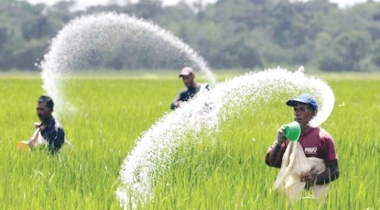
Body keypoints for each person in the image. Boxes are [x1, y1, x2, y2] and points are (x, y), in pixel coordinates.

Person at [265, 93, 339, 189]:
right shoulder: (287, 135)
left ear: (313, 113)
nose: (297, 113)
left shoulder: (324, 138)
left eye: (303, 109)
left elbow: (334, 171)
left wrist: (316, 178)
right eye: (295, 109)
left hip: (314, 196)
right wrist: (279, 143)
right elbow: (272, 163)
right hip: (289, 194)